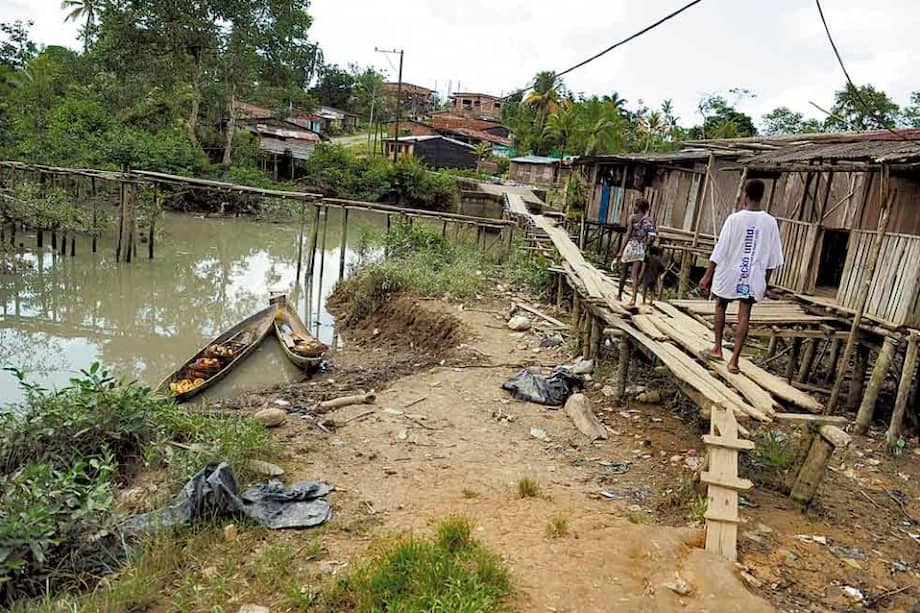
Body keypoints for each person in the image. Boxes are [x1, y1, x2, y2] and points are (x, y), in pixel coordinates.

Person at [698, 179, 784, 374]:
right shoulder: (770, 222)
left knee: (721, 305)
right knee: (744, 314)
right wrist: (764, 282)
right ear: (762, 196)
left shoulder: (734, 219)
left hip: (729, 274)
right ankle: (734, 361)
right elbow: (773, 258)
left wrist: (707, 274)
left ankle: (718, 348)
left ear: (745, 195)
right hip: (750, 278)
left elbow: (720, 250)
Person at [617, 198, 656, 307]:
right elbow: (653, 236)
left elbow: (628, 234)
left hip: (630, 246)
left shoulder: (632, 218)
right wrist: (646, 244)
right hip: (640, 248)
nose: (634, 208)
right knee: (635, 275)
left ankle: (619, 295)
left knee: (624, 273)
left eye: (635, 206)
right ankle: (633, 298)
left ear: (638, 207)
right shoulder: (649, 220)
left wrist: (620, 251)